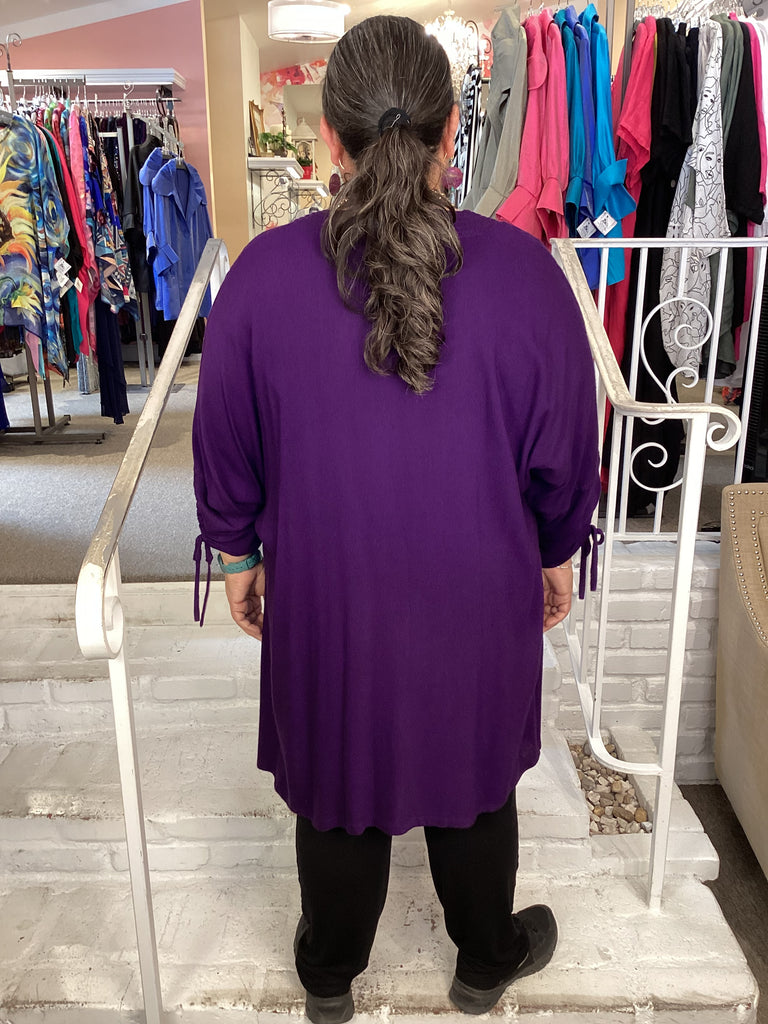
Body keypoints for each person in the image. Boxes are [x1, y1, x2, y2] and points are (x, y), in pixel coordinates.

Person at [193, 15, 600, 1024]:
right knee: (476, 779)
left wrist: (238, 557)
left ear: (327, 138)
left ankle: (329, 978)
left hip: (328, 592)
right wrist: (556, 553)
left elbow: (226, 445)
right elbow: (565, 454)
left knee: (338, 782)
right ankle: (484, 962)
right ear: (452, 130)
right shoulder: (528, 277)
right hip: (480, 589)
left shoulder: (260, 281)